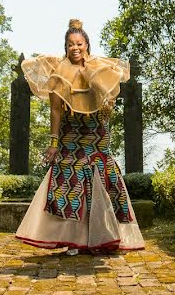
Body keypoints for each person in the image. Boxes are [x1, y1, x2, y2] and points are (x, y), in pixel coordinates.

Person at [14, 18, 145, 254]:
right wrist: (54, 143)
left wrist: (103, 96)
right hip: (70, 133)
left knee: (100, 182)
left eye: (79, 44)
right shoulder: (58, 72)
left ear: (87, 45)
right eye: (71, 44)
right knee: (69, 184)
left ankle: (101, 236)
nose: (75, 48)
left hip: (95, 133)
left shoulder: (99, 67)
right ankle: (73, 240)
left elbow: (109, 101)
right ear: (66, 47)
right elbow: (55, 110)